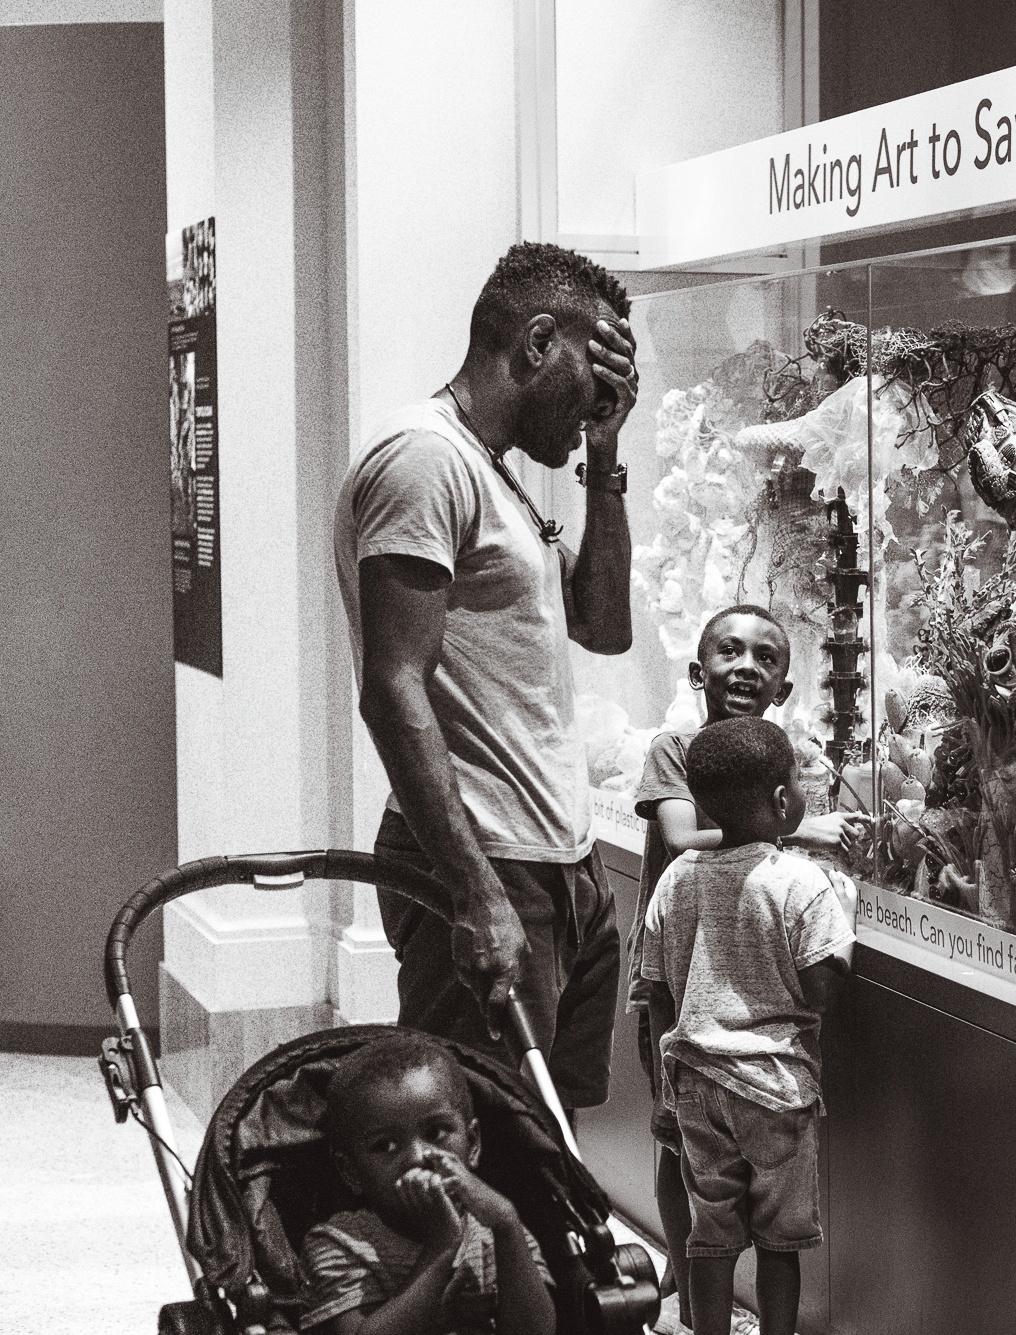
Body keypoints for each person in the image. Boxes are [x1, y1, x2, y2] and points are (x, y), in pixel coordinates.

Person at [335, 241, 638, 1108]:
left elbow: (605, 626)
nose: (596, 404)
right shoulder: (423, 459)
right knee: (476, 1143)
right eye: (596, 372)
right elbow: (392, 687)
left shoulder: (496, 474)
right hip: (488, 866)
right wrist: (474, 891)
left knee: (543, 1146)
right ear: (539, 343)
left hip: (559, 865)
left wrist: (606, 456)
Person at [628, 604, 868, 1332]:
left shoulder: (778, 759)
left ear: (784, 686)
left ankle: (698, 1273)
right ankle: (682, 1261)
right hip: (705, 1008)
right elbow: (680, 834)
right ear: (699, 670)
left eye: (765, 656)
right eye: (729, 650)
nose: (746, 665)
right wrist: (794, 828)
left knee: (703, 1162)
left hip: (703, 1016)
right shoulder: (679, 749)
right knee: (686, 1152)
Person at [301, 1033, 554, 1335]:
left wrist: (507, 1224)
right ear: (352, 1172)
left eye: (435, 1133)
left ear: (472, 1144)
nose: (418, 1158)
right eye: (386, 1146)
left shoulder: (495, 1228)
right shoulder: (340, 1244)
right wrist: (441, 1246)